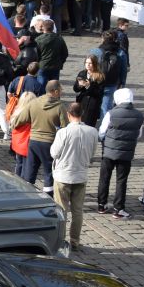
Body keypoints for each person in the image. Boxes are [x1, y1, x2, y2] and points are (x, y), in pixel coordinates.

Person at [50, 102, 99, 251]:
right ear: (81, 114)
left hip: (63, 175)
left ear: (69, 115)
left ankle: (60, 240)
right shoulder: (92, 131)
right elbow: (92, 153)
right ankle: (75, 241)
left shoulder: (63, 133)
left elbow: (54, 153)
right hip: (81, 175)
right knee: (78, 211)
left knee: (61, 210)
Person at [96, 87, 144, 219]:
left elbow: (101, 132)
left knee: (104, 178)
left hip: (108, 152)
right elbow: (139, 135)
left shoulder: (111, 114)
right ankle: (118, 208)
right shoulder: (139, 115)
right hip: (126, 153)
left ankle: (102, 204)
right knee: (121, 180)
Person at [11, 80, 67, 192]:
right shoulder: (60, 106)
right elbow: (65, 128)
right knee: (49, 172)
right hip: (49, 143)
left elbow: (18, 121)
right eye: (60, 90)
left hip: (33, 143)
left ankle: (27, 194)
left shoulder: (34, 103)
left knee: (30, 172)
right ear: (55, 91)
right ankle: (48, 197)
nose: (61, 92)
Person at [73, 54, 106, 127]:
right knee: (79, 124)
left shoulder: (100, 76)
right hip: (82, 103)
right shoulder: (82, 73)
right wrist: (80, 85)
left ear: (94, 64)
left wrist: (89, 86)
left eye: (90, 63)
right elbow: (75, 89)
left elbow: (99, 93)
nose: (88, 65)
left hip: (93, 105)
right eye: (86, 63)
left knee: (89, 126)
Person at [10, 90, 37, 179]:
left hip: (17, 144)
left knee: (19, 163)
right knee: (26, 167)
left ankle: (16, 180)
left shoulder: (16, 112)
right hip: (27, 145)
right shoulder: (32, 115)